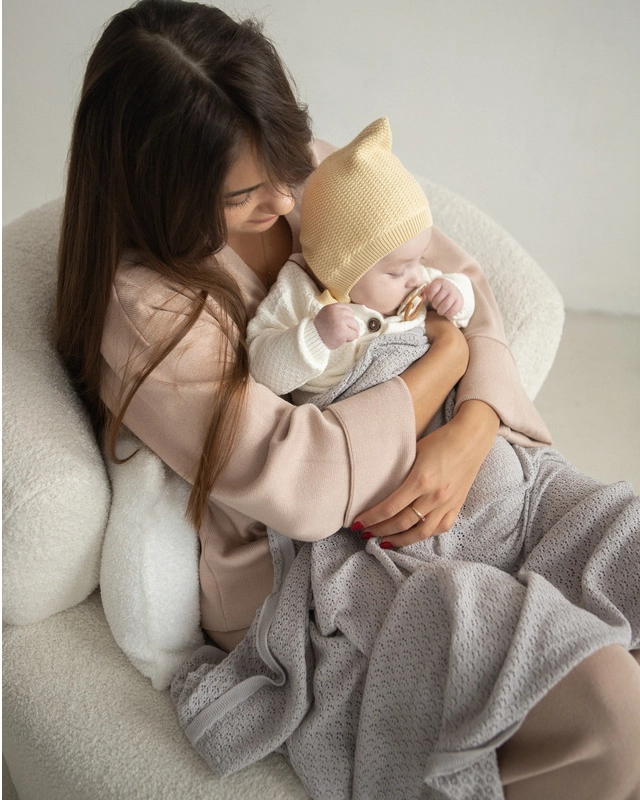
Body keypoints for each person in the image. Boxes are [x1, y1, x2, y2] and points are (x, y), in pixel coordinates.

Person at [54, 1, 640, 797]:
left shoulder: (309, 175)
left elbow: (460, 280)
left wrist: (474, 424)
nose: (284, 199)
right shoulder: (148, 309)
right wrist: (446, 364)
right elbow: (300, 478)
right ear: (160, 189)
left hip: (458, 470)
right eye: (244, 194)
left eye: (284, 161)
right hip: (320, 564)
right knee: (604, 704)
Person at [246, 116, 475, 402]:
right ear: (341, 274)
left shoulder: (418, 286)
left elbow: (464, 298)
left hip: (431, 393)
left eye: (420, 260)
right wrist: (315, 336)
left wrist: (456, 294)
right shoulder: (298, 296)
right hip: (352, 412)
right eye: (396, 272)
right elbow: (261, 370)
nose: (417, 276)